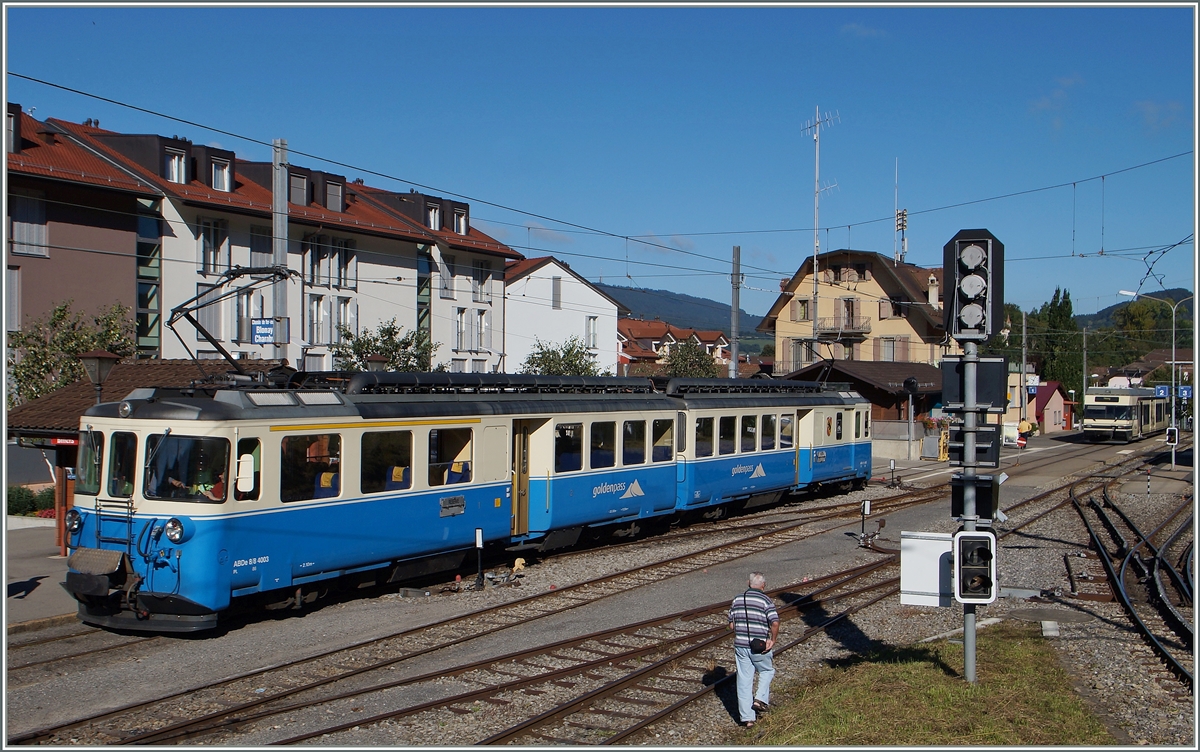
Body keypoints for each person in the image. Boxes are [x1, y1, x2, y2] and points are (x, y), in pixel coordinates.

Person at [728, 571, 780, 727]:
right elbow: (775, 623)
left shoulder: (738, 599)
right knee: (766, 671)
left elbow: (732, 625)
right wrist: (773, 640)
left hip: (741, 645)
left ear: (748, 583)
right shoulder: (766, 601)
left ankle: (747, 719)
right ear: (763, 585)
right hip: (759, 646)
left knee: (743, 680)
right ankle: (760, 700)